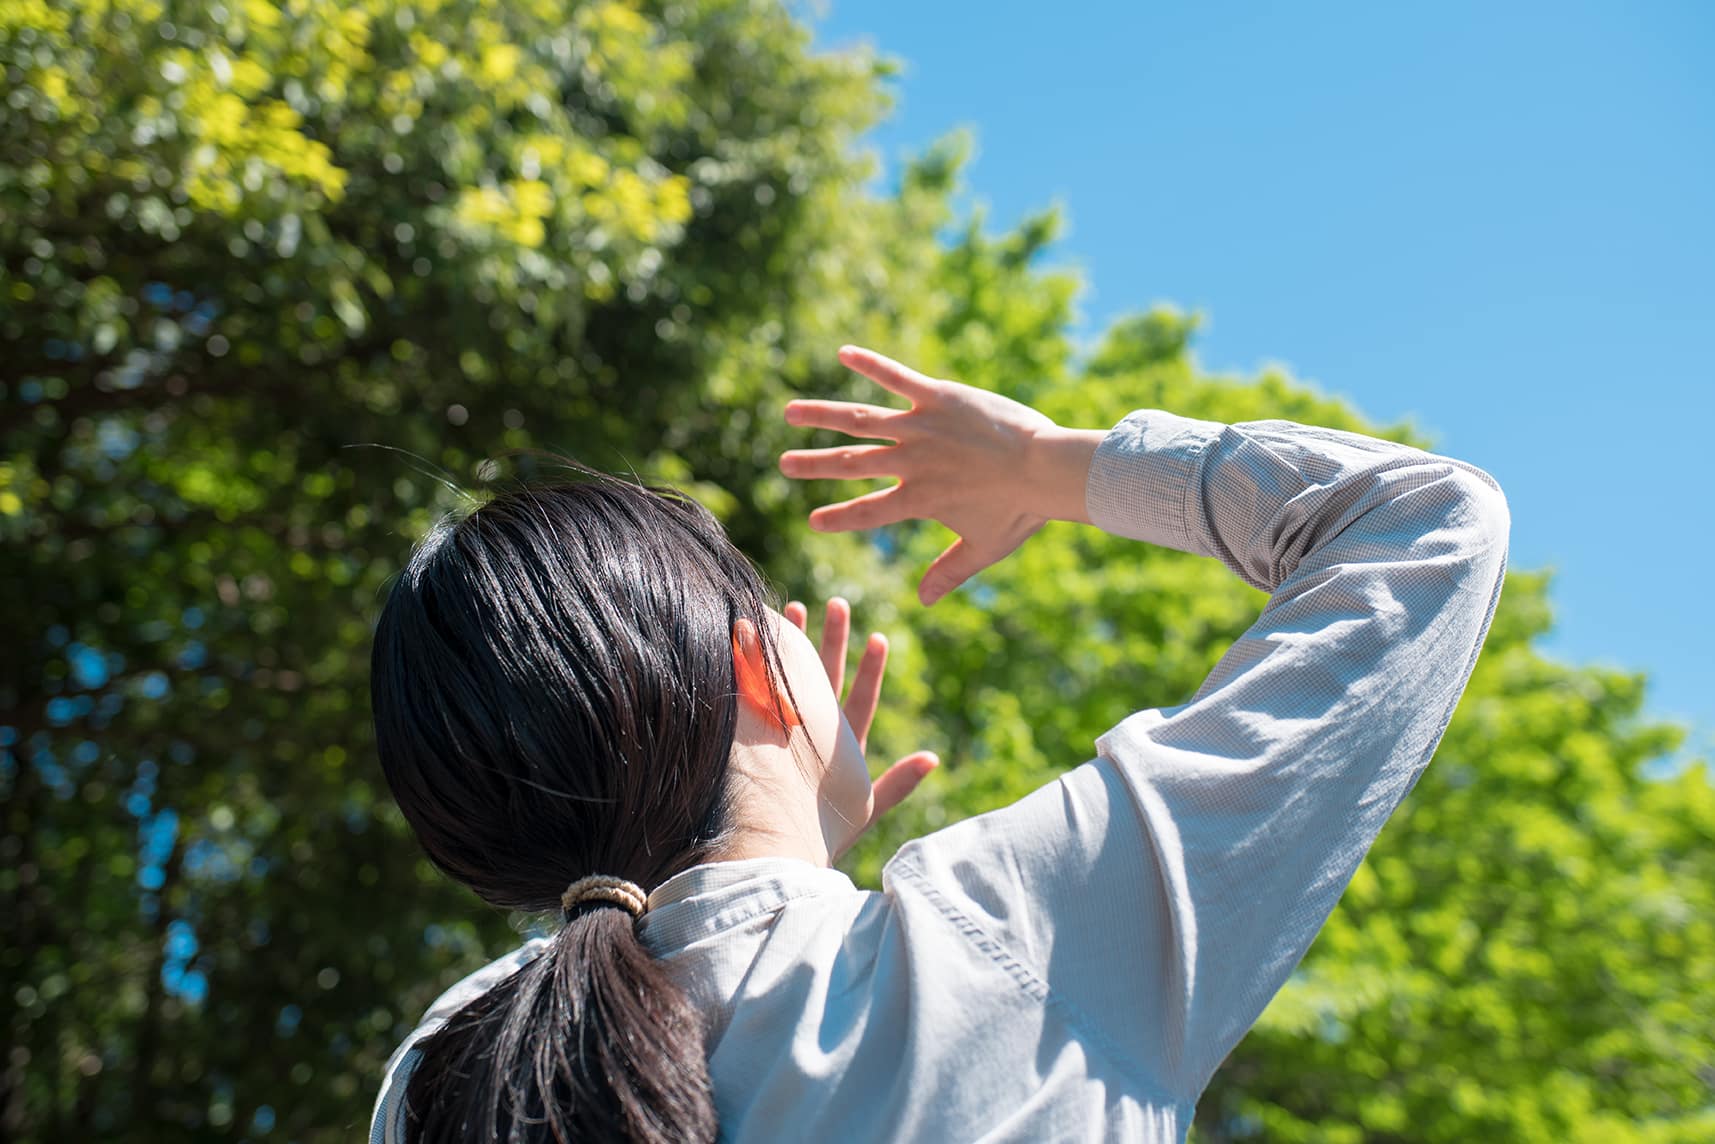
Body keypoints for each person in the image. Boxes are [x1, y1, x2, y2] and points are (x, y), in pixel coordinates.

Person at [367, 345, 1510, 1143]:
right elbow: (1429, 521)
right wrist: (1046, 463)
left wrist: (783, 848)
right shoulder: (1009, 935)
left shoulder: (442, 1073)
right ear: (757, 671)